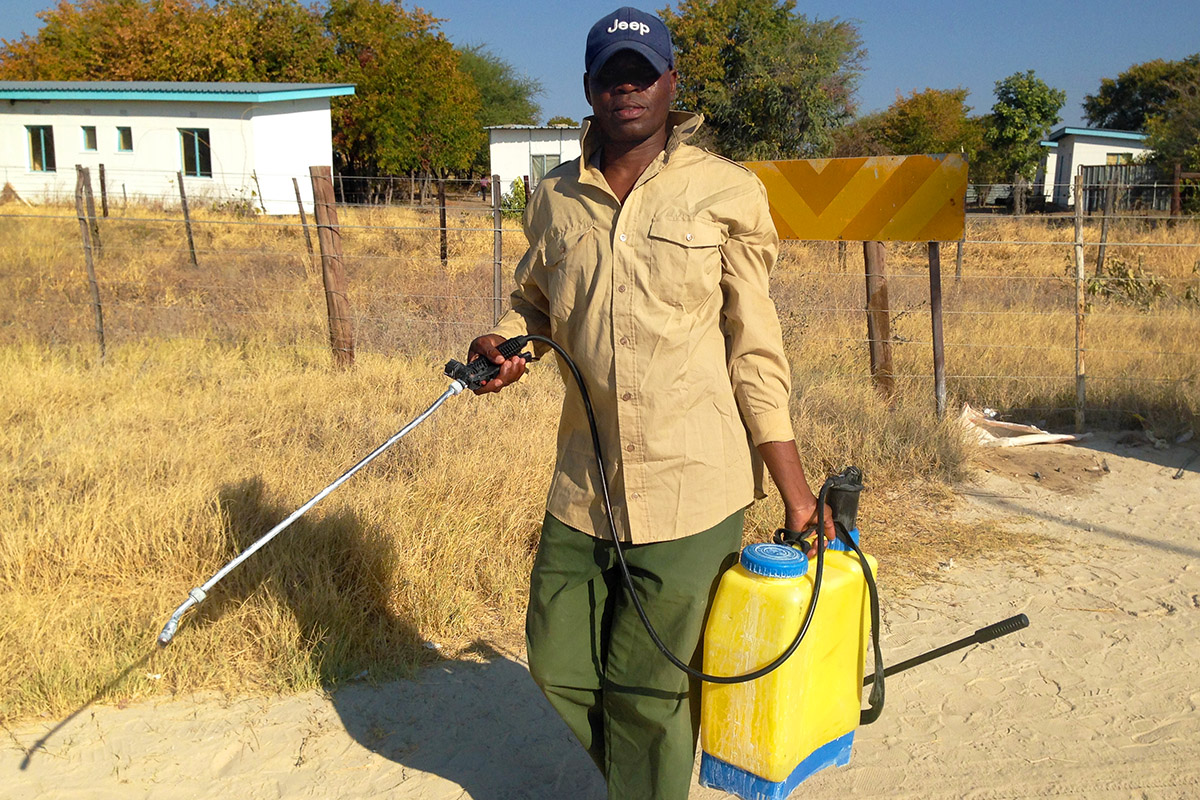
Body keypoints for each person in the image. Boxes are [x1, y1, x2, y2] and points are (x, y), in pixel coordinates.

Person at [465, 7, 833, 798]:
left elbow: (755, 348)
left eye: (642, 72)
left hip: (691, 487)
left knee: (647, 691)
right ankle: (649, 781)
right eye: (610, 74)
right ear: (589, 89)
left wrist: (796, 491)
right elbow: (534, 303)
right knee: (557, 662)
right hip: (584, 485)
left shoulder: (725, 192)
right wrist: (504, 348)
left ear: (671, 83)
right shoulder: (555, 197)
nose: (626, 87)